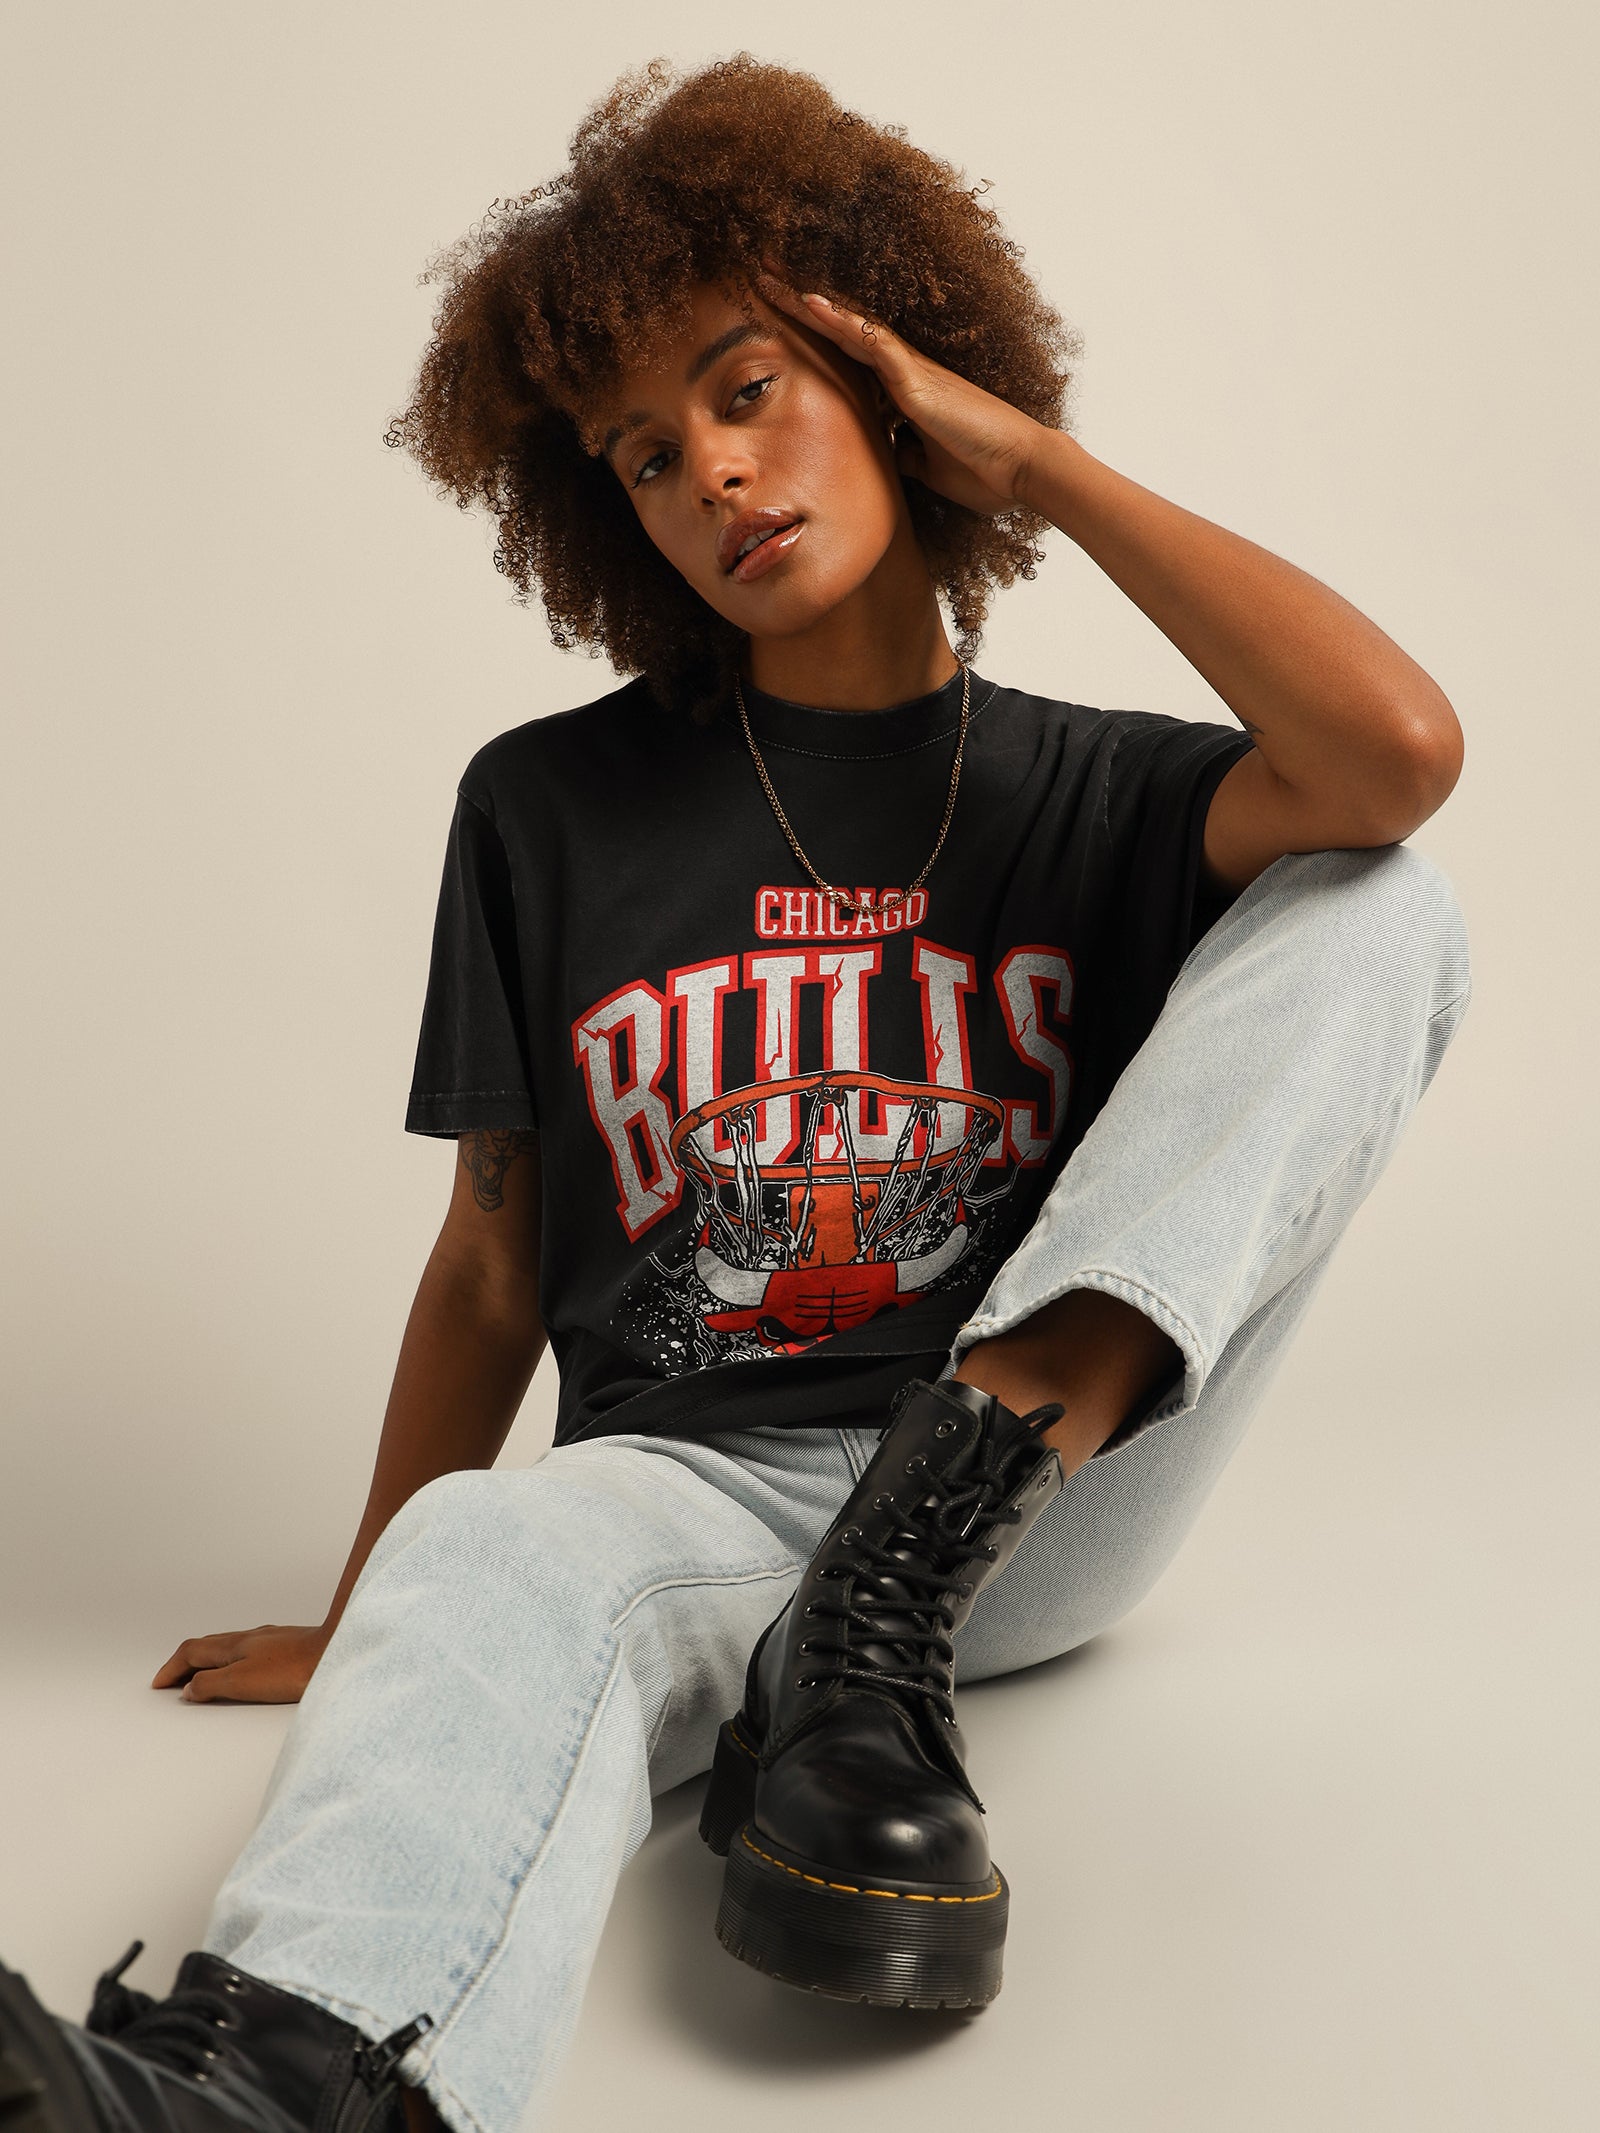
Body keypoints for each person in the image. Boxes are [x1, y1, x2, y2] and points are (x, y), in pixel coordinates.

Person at [0, 50, 1470, 2133]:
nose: (705, 468)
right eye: (638, 452)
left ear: (896, 373)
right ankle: (266, 2097)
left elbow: (1396, 752)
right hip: (686, 1487)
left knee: (1381, 902)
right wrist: (371, 1604)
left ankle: (886, 1595)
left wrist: (1032, 463)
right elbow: (491, 1260)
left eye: (748, 383)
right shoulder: (546, 808)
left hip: (1023, 1499)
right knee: (487, 1547)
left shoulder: (1100, 790)